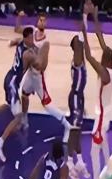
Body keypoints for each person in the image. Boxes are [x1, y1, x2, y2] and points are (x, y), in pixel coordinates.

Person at [0, 19, 36, 162]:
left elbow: (15, 41)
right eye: (31, 37)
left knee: (9, 105)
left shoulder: (21, 43)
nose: (33, 39)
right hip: (13, 83)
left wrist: (12, 42)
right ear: (27, 38)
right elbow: (37, 63)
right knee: (18, 117)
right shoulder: (28, 54)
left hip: (9, 78)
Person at [80, 9, 112, 179]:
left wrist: (84, 33)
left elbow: (88, 56)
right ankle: (109, 172)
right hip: (107, 112)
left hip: (102, 115)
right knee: (104, 142)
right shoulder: (111, 66)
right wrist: (94, 19)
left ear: (106, 59)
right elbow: (102, 41)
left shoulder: (104, 72)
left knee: (93, 152)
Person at [19, 13, 72, 142]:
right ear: (37, 22)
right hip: (30, 73)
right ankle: (25, 119)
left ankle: (66, 124)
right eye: (40, 20)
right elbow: (18, 30)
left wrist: (33, 60)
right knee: (24, 94)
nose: (42, 22)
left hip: (38, 76)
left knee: (46, 105)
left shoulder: (45, 42)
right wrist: (19, 18)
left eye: (44, 21)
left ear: (46, 24)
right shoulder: (32, 32)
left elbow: (43, 65)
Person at [66, 33, 89, 179]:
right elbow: (80, 46)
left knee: (78, 131)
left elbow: (84, 45)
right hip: (74, 97)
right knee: (73, 131)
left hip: (79, 97)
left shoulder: (82, 60)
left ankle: (79, 161)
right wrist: (82, 31)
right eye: (78, 43)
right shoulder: (77, 60)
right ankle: (69, 162)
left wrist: (83, 103)